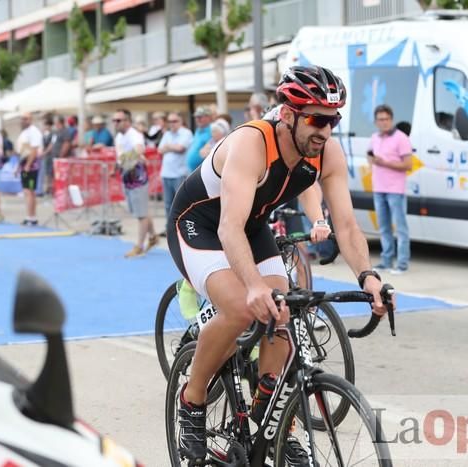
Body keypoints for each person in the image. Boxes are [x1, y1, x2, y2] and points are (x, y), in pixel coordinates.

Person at [167, 65, 388, 463]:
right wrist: (252, 285)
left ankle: (274, 416)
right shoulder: (253, 142)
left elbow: (348, 226)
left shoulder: (327, 154)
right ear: (288, 114)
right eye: (317, 118)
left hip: (251, 226)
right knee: (239, 307)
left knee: (282, 310)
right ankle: (193, 399)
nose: (325, 129)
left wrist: (368, 276)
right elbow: (228, 228)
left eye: (333, 119)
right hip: (200, 222)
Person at [368, 104, 412, 274]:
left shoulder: (401, 138)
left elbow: (408, 164)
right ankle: (386, 261)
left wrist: (384, 163)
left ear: (391, 120)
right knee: (384, 228)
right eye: (380, 119)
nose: (383, 122)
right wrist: (372, 160)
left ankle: (401, 264)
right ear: (376, 121)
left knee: (400, 228)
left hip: (396, 190)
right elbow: (370, 155)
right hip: (378, 188)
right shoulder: (374, 137)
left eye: (386, 119)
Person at [113, 109, 159, 258]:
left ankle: (139, 246)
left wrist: (128, 159)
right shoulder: (119, 136)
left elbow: (140, 148)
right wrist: (118, 167)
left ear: (127, 121)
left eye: (118, 120)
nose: (115, 123)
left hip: (137, 177)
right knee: (141, 211)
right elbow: (121, 156)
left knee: (141, 214)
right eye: (114, 120)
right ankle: (153, 237)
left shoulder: (134, 134)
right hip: (127, 175)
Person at [158, 112, 192, 222]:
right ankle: (170, 229)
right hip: (166, 174)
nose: (172, 124)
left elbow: (180, 148)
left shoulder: (186, 133)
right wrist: (172, 147)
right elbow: (160, 150)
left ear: (181, 121)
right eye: (170, 121)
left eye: (175, 121)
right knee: (168, 205)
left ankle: (181, 229)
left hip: (180, 174)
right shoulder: (167, 134)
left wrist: (168, 147)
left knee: (181, 204)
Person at [16, 112, 44, 226]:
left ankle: (32, 217)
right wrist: (19, 166)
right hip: (25, 165)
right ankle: (30, 216)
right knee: (27, 191)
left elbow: (34, 150)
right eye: (22, 119)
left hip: (32, 167)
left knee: (30, 191)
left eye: (26, 119)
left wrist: (28, 165)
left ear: (30, 120)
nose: (23, 121)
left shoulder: (34, 132)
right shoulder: (24, 133)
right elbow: (22, 151)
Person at [185, 107, 213, 172]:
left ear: (208, 117)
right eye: (196, 117)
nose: (197, 119)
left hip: (204, 171)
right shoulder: (198, 130)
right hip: (193, 171)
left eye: (200, 117)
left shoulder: (213, 131)